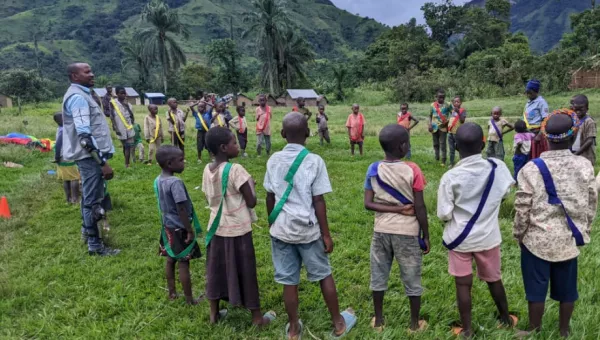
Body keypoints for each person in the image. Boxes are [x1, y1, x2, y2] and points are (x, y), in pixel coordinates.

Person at [264, 112, 357, 339]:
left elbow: (269, 196)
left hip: (282, 230)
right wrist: (326, 235)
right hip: (308, 231)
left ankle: (294, 328)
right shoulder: (314, 161)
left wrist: (273, 221)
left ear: (283, 134)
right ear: (307, 133)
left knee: (289, 281)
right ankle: (338, 324)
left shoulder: (273, 159)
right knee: (324, 274)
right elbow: (318, 201)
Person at [514, 111, 597, 338]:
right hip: (568, 238)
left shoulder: (531, 168)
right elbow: (592, 202)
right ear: (575, 134)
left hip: (536, 239)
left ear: (545, 136)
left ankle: (533, 328)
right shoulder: (585, 166)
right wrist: (584, 230)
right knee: (567, 288)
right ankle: (564, 330)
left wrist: (519, 234)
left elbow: (522, 206)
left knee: (536, 288)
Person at [437, 123, 517, 338]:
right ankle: (505, 319)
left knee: (463, 284)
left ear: (454, 146)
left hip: (459, 240)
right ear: (483, 143)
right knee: (494, 279)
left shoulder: (450, 177)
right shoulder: (498, 167)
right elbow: (504, 194)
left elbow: (444, 214)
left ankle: (467, 330)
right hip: (488, 237)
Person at [202, 127, 276, 326]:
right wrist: (250, 183)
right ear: (224, 148)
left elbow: (209, 196)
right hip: (238, 230)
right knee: (246, 270)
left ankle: (214, 314)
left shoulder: (207, 170)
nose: (238, 145)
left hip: (216, 229)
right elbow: (251, 201)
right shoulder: (236, 170)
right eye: (234, 143)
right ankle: (257, 318)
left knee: (215, 270)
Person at [364, 124, 430, 333]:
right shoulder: (413, 169)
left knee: (379, 274)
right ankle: (413, 324)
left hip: (381, 230)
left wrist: (394, 208)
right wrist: (426, 235)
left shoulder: (373, 169)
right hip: (407, 233)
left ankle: (379, 321)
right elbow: (419, 206)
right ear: (402, 147)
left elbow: (368, 203)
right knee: (411, 275)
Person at [62, 63, 118, 256]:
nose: (92, 74)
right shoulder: (78, 97)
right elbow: (85, 138)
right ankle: (95, 245)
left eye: (91, 70)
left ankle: (87, 233)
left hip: (90, 158)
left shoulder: (83, 94)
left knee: (88, 196)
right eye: (87, 72)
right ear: (75, 76)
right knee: (92, 201)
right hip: (90, 159)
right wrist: (102, 163)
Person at [154, 145, 202, 305]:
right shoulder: (175, 183)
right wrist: (189, 229)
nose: (184, 162)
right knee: (183, 262)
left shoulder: (159, 179)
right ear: (169, 163)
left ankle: (172, 293)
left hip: (167, 227)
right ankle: (189, 299)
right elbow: (181, 208)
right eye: (181, 160)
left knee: (170, 259)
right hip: (180, 228)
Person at [53, 111, 80, 204]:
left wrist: (57, 157)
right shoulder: (64, 129)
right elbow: (58, 144)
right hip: (67, 156)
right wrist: (56, 156)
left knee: (66, 178)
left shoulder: (59, 129)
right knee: (74, 178)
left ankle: (68, 198)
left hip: (60, 157)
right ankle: (75, 199)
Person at [109, 86, 136, 168]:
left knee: (128, 146)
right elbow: (112, 116)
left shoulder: (128, 104)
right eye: (121, 93)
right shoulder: (113, 103)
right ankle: (127, 162)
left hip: (129, 128)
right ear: (117, 94)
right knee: (125, 146)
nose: (123, 95)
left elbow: (132, 116)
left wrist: (132, 123)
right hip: (120, 128)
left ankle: (127, 163)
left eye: (124, 93)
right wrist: (115, 128)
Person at [523, 79, 550, 159]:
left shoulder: (541, 102)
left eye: (530, 93)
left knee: (538, 156)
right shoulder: (528, 103)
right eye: (527, 93)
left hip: (537, 134)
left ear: (536, 92)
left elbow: (545, 120)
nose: (528, 95)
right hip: (528, 133)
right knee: (530, 156)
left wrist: (539, 135)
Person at [429, 89, 452, 167]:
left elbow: (453, 114)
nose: (441, 99)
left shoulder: (448, 104)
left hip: (443, 127)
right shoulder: (432, 105)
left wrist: (447, 121)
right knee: (435, 143)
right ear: (436, 97)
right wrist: (430, 124)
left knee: (443, 144)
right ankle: (437, 157)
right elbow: (430, 115)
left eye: (443, 97)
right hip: (434, 127)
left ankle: (443, 159)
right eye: (439, 97)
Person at [571, 94, 596, 165]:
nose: (578, 112)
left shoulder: (589, 121)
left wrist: (577, 153)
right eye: (576, 109)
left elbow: (589, 141)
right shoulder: (572, 119)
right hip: (573, 152)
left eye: (581, 109)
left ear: (587, 109)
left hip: (586, 156)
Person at [447, 96, 467, 167]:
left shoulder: (462, 110)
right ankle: (451, 163)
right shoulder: (452, 111)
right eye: (454, 102)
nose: (456, 103)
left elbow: (462, 120)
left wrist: (458, 112)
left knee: (460, 148)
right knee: (451, 149)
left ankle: (462, 162)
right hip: (450, 132)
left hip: (458, 133)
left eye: (458, 102)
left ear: (461, 103)